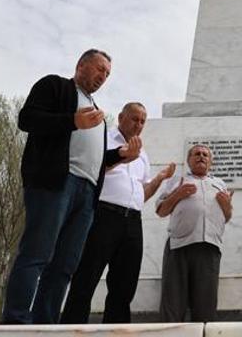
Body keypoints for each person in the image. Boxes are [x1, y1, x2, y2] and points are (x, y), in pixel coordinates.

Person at [1, 49, 142, 324]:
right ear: (81, 65)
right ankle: (16, 321)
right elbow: (26, 119)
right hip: (57, 183)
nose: (103, 76)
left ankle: (46, 323)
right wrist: (72, 121)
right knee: (37, 253)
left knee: (65, 265)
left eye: (107, 74)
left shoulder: (96, 112)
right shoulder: (55, 86)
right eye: (100, 69)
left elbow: (97, 159)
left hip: (87, 194)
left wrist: (121, 155)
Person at [61, 102, 175, 323]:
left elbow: (142, 192)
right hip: (104, 215)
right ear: (121, 117)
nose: (138, 125)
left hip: (133, 221)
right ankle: (72, 328)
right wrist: (122, 155)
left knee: (124, 285)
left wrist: (160, 179)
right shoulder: (103, 139)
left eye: (142, 121)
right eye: (134, 119)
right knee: (86, 277)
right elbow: (93, 168)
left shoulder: (143, 154)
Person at [156, 144, 232, 322]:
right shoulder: (178, 181)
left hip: (209, 247)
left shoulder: (219, 184)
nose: (201, 157)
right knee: (173, 303)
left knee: (205, 306)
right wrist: (177, 194)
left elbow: (226, 217)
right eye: (196, 154)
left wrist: (227, 206)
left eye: (205, 155)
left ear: (210, 162)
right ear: (189, 160)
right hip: (179, 247)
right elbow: (161, 210)